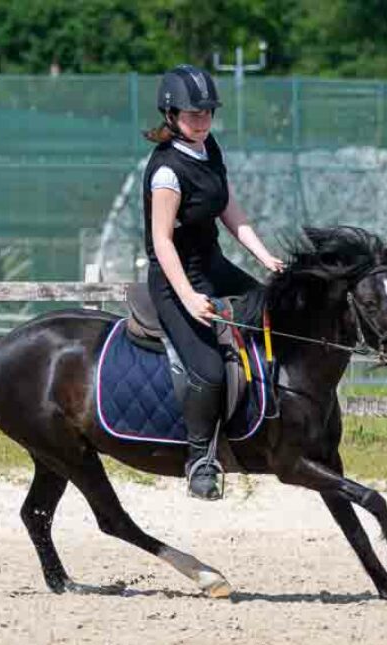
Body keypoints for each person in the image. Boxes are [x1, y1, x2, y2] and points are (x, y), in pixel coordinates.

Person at [143, 63, 284, 500]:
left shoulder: (209, 149)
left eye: (208, 113)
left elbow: (229, 209)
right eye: (193, 114)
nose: (202, 120)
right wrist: (187, 298)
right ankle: (200, 460)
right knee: (206, 369)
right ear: (171, 114)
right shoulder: (166, 171)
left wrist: (265, 257)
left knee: (272, 309)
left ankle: (266, 422)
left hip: (212, 263)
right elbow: (161, 242)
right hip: (174, 279)